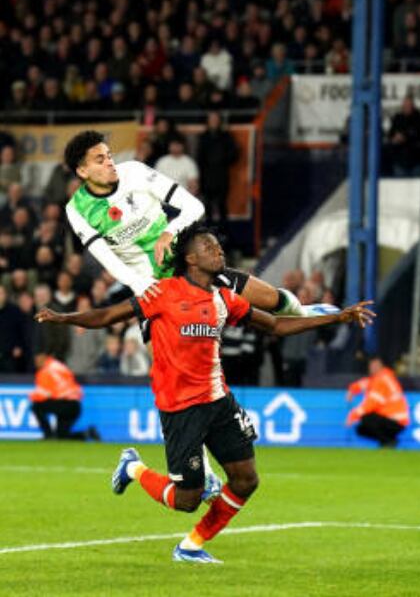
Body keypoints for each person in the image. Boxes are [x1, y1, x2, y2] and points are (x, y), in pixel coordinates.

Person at [35, 223, 376, 563]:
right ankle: (134, 468)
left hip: (218, 401)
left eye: (219, 247)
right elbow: (109, 314)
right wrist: (65, 319)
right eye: (210, 248)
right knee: (188, 499)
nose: (219, 252)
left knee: (245, 480)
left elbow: (275, 325)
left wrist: (335, 318)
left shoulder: (225, 298)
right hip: (180, 408)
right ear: (191, 258)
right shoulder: (163, 293)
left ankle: (191, 546)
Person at [61, 130, 323, 320]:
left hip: (184, 263)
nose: (110, 162)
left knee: (269, 300)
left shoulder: (135, 172)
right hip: (151, 285)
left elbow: (195, 207)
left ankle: (302, 311)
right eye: (100, 160)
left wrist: (168, 231)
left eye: (109, 156)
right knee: (164, 362)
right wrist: (140, 285)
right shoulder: (77, 210)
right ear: (82, 172)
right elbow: (106, 258)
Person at [29, 352, 98, 440]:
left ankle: (48, 436)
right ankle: (87, 434)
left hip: (66, 404)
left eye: (37, 359)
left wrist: (31, 396)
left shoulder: (45, 371)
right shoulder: (58, 366)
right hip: (75, 406)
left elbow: (42, 395)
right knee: (62, 437)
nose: (36, 362)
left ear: (44, 357)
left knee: (36, 406)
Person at [345, 356, 410, 448]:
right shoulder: (384, 377)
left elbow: (371, 403)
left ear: (380, 366)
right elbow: (366, 383)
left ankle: (389, 441)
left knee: (366, 419)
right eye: (371, 366)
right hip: (397, 420)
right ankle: (386, 442)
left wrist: (353, 415)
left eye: (374, 366)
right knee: (360, 429)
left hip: (395, 421)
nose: (372, 368)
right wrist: (352, 389)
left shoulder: (381, 381)